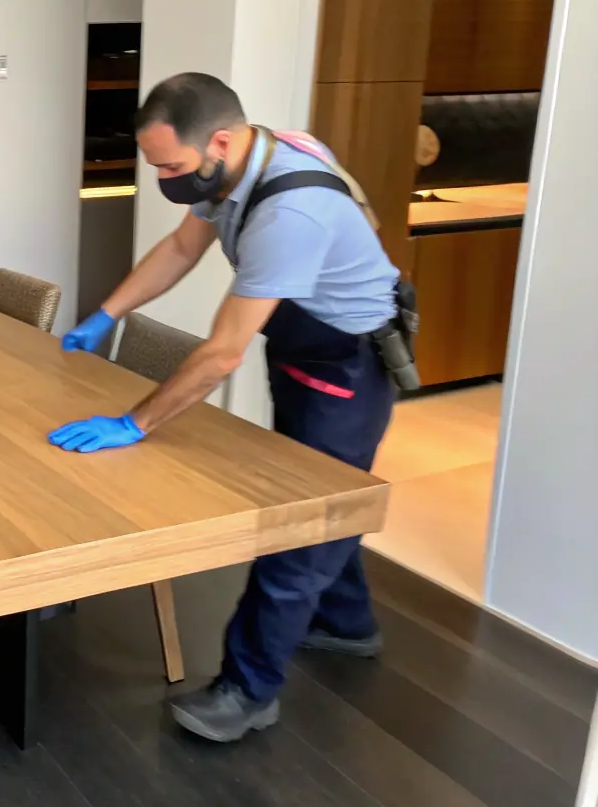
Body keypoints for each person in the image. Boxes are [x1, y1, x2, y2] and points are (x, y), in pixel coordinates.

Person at [52, 72, 413, 743]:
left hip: (345, 369)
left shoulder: (287, 210)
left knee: (297, 525)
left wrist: (134, 423)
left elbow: (221, 353)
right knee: (323, 499)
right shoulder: (233, 170)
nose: (164, 178)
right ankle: (347, 624)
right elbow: (181, 248)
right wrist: (107, 311)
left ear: (219, 139)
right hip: (304, 350)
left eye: (171, 166)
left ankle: (247, 690)